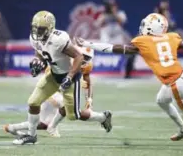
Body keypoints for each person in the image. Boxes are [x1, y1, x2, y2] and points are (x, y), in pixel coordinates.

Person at [76, 13, 183, 141]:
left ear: (151, 27)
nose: (143, 27)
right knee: (161, 100)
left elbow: (113, 48)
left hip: (175, 83)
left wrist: (90, 44)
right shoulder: (171, 37)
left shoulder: (143, 42)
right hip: (181, 76)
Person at [12, 11, 112, 145]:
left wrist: (70, 77)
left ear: (50, 28)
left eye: (41, 29)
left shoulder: (58, 39)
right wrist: (38, 61)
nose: (37, 31)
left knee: (74, 115)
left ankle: (102, 117)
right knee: (33, 102)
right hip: (53, 75)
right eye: (35, 28)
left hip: (69, 77)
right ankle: (31, 135)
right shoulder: (35, 38)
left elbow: (78, 56)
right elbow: (40, 53)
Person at [4, 46, 97, 138]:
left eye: (87, 57)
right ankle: (52, 127)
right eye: (83, 56)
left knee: (43, 124)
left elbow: (88, 81)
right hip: (51, 88)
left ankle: (12, 128)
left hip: (62, 90)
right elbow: (53, 76)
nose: (84, 59)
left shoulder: (86, 65)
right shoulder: (66, 59)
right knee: (66, 106)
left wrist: (89, 99)